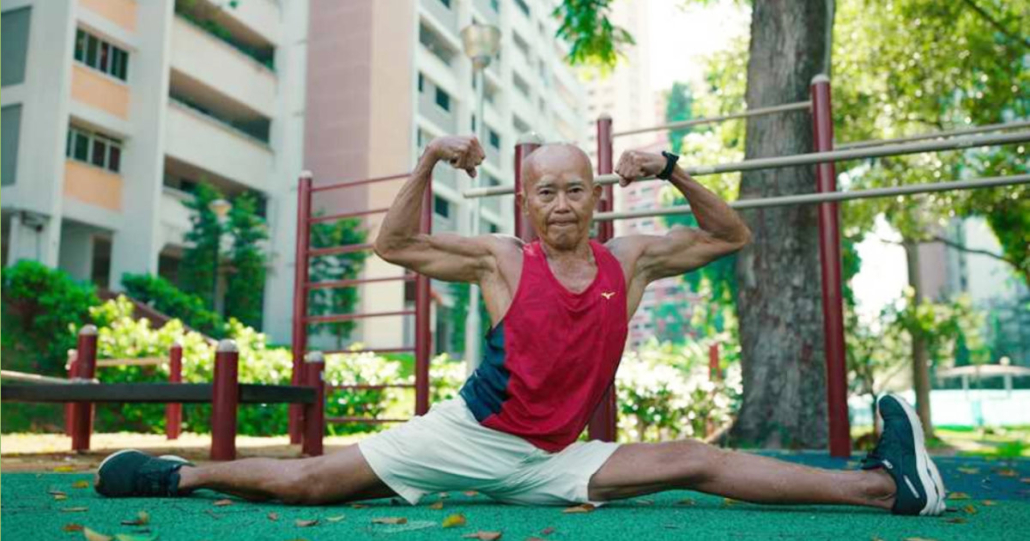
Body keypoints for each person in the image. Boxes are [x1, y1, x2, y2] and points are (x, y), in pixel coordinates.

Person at [95, 136, 945, 516]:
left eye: (576, 188)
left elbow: (731, 235)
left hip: (557, 457)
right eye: (547, 191)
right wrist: (429, 160)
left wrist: (675, 169)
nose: (562, 202)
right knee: (316, 481)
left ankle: (885, 487)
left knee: (699, 458)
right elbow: (393, 245)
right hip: (467, 437)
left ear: (596, 196)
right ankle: (182, 477)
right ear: (527, 204)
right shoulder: (501, 259)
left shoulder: (631, 260)